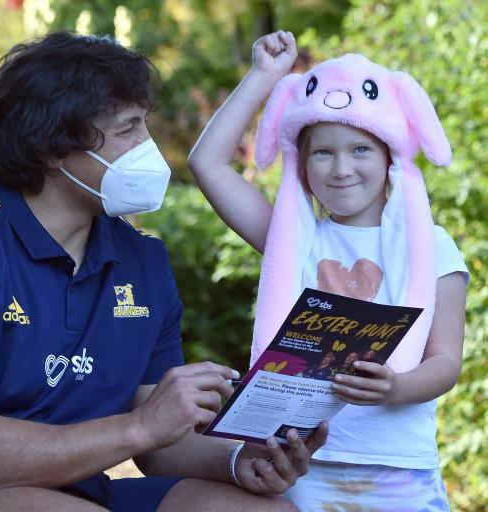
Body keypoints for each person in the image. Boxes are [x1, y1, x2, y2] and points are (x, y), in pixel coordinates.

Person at [0, 32, 329, 512]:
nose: (150, 149)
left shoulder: (141, 259)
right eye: (128, 129)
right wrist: (139, 425)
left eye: (145, 125)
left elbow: (161, 446)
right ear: (51, 145)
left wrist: (241, 462)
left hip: (75, 493)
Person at [188, 30, 468, 510]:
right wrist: (265, 76)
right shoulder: (293, 240)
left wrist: (396, 386)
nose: (341, 169)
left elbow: (445, 361)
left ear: (389, 155)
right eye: (323, 151)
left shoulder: (432, 246)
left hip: (398, 469)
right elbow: (207, 163)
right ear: (301, 163)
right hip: (304, 465)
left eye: (360, 149)